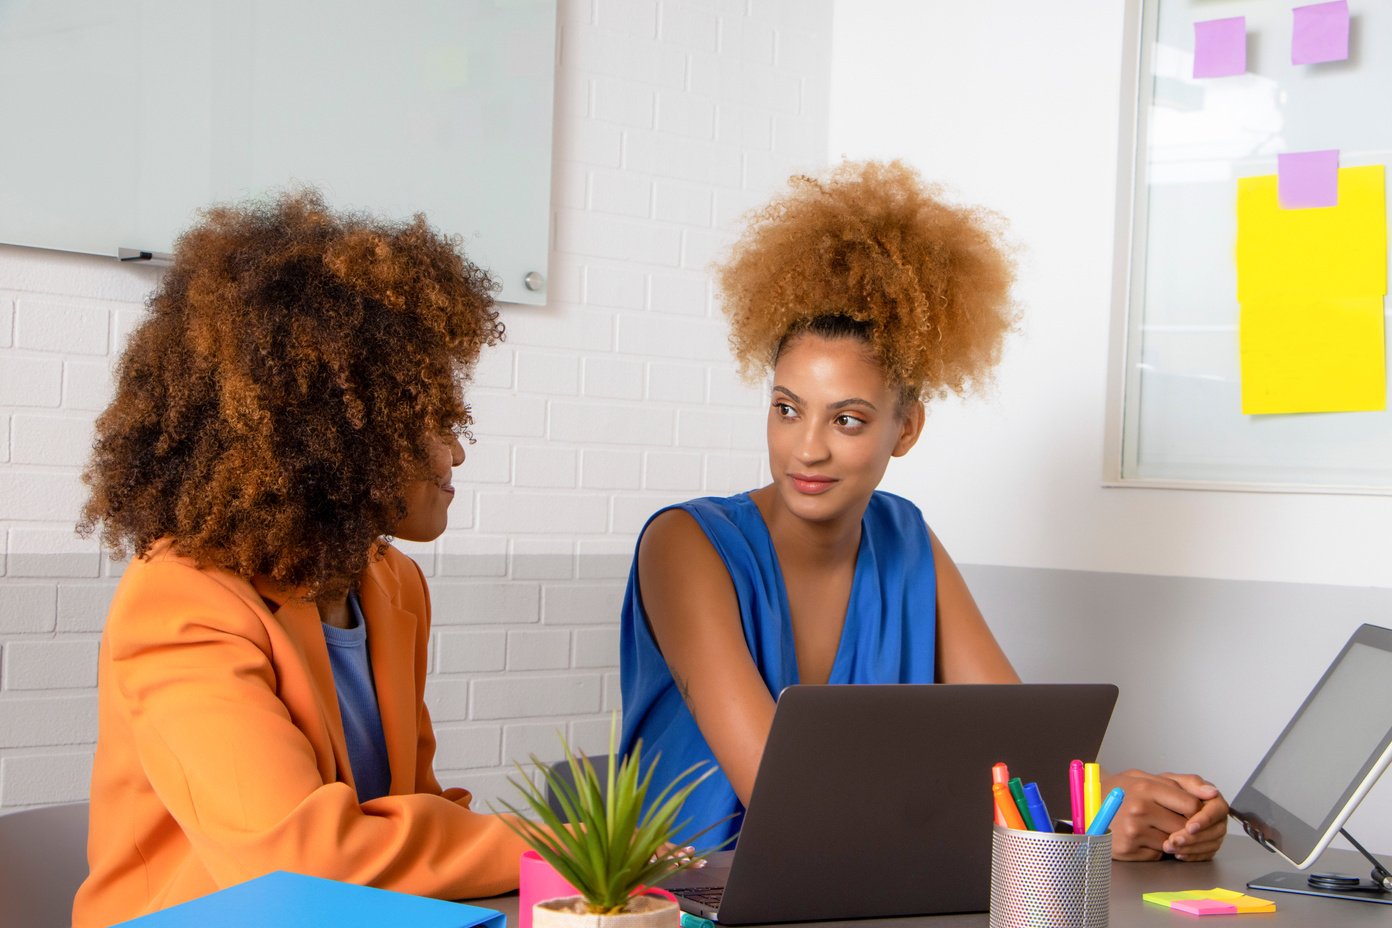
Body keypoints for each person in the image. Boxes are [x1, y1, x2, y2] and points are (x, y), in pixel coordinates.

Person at [619, 160, 1229, 862]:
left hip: (862, 888)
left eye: (847, 420)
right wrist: (1062, 821)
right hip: (688, 897)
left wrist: (1124, 809)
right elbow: (788, 799)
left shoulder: (904, 537)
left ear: (904, 430)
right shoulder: (685, 545)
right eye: (787, 409)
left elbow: (1017, 750)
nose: (806, 449)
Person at [72, 191, 532, 927]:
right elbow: (302, 862)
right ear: (338, 435)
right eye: (431, 419)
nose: (458, 451)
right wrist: (543, 845)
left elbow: (407, 813)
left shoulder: (391, 583)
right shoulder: (182, 600)